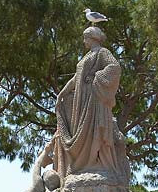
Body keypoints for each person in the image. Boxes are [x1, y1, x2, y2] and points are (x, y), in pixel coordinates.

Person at [50, 26, 130, 183]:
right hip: (83, 101)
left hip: (94, 99)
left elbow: (114, 68)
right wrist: (62, 93)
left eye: (85, 37)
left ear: (93, 38)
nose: (84, 41)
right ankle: (84, 164)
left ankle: (96, 163)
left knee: (95, 130)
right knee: (82, 130)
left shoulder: (102, 52)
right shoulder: (87, 56)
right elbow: (76, 78)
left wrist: (96, 78)